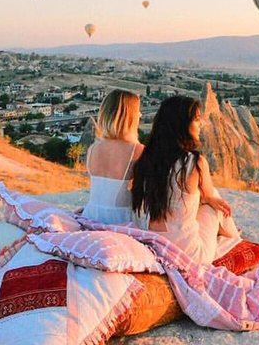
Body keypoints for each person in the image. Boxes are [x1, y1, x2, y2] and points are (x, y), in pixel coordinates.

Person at [131, 96, 240, 264]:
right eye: (196, 120)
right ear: (182, 125)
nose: (200, 125)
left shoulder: (145, 158)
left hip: (152, 243)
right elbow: (211, 198)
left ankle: (233, 238)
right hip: (189, 253)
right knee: (212, 204)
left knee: (195, 200)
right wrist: (208, 198)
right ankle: (236, 241)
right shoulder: (194, 162)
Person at [82, 89, 144, 225]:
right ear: (129, 117)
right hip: (121, 219)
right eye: (137, 112)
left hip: (91, 214)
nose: (140, 115)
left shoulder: (94, 148)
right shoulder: (137, 150)